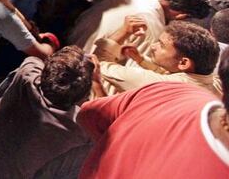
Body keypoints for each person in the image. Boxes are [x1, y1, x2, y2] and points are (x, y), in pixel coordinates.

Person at [78, 50, 229, 178]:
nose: (153, 47)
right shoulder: (174, 90)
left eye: (162, 45)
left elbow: (89, 114)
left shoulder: (172, 91)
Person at [0, 47, 94, 179]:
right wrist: (98, 81)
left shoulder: (27, 72)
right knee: (91, 149)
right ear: (83, 96)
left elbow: (36, 60)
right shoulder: (79, 126)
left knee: (8, 88)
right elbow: (106, 124)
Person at [93, 20, 221, 96]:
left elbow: (99, 64)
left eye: (161, 45)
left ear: (183, 62)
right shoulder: (216, 84)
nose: (153, 46)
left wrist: (124, 31)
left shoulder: (162, 86)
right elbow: (178, 75)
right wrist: (141, 60)